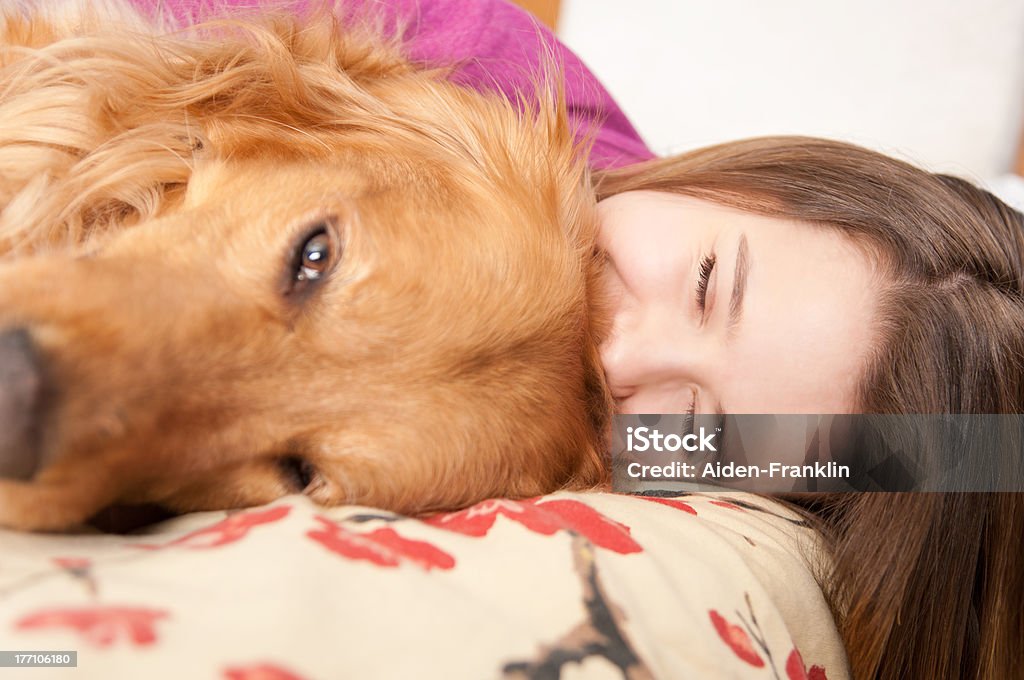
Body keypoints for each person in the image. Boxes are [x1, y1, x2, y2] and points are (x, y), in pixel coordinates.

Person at [127, 1, 1024, 677]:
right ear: (744, 179)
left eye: (703, 430)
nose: (622, 362)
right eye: (708, 282)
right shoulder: (466, 55)